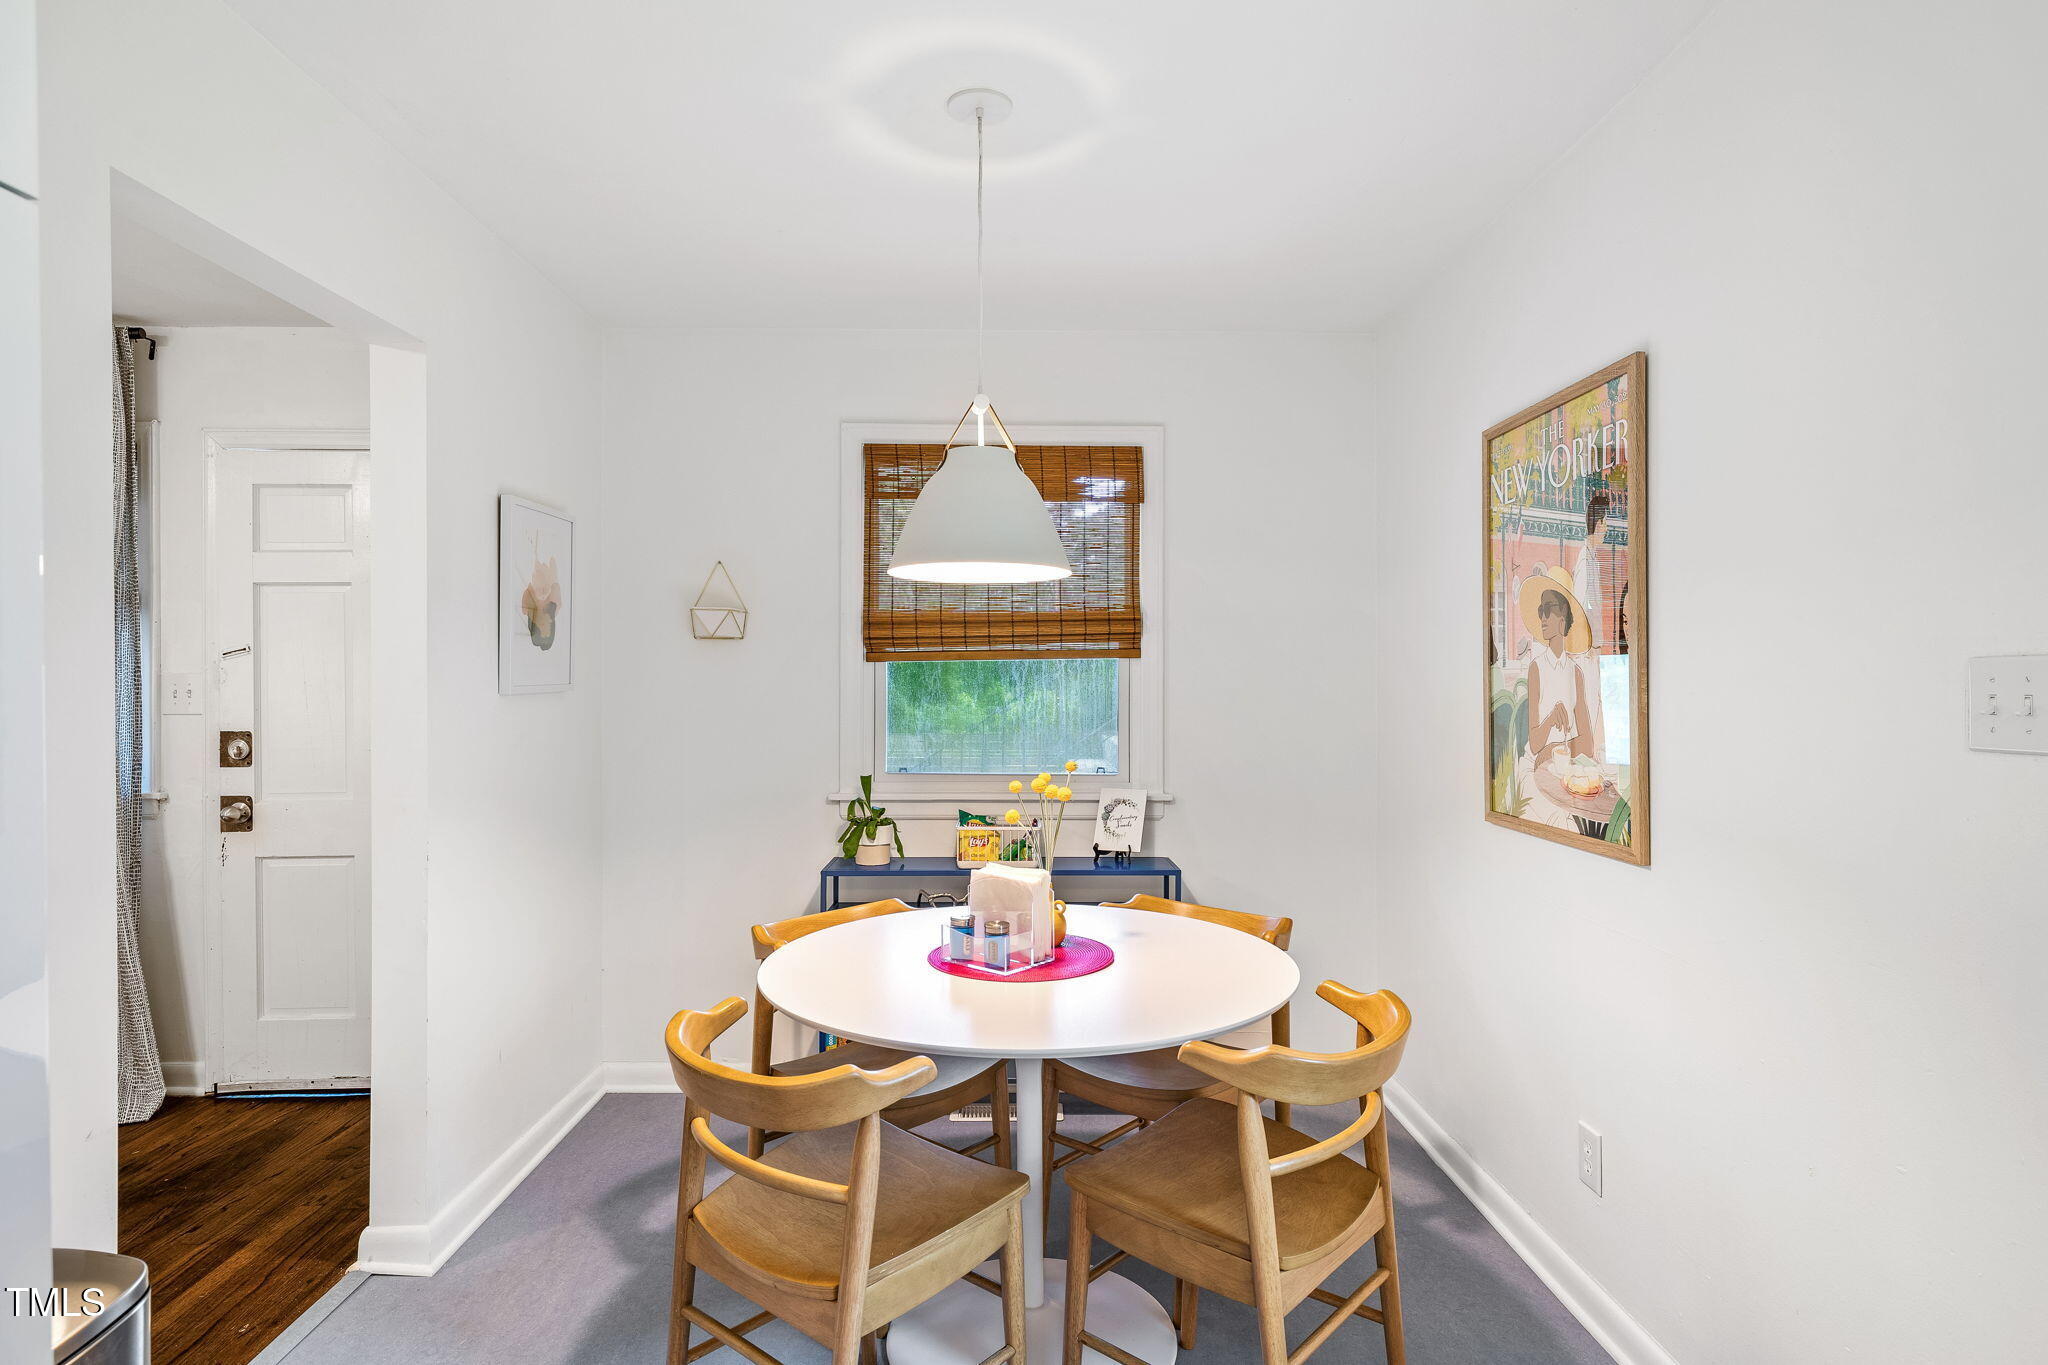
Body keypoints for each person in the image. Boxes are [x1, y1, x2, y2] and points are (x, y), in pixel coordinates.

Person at [1573, 490, 1610, 650]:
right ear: (1598, 523)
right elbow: (1581, 603)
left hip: (1592, 642)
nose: (1606, 528)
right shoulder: (1585, 560)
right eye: (1605, 522)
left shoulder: (1592, 558)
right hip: (1588, 644)